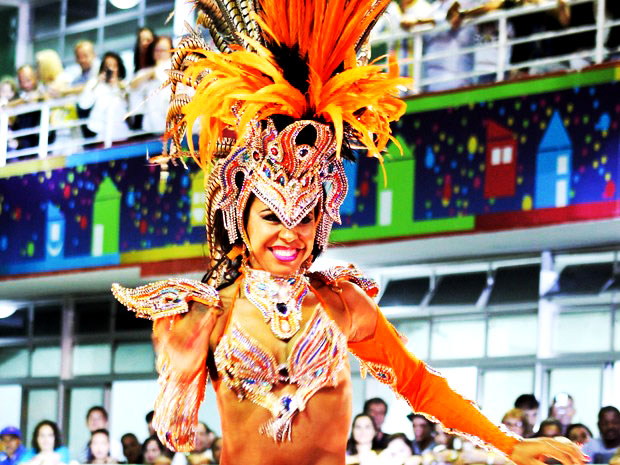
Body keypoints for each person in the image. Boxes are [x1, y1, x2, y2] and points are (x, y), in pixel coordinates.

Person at [110, 1, 587, 465]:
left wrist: (508, 444)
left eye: (305, 217)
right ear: (241, 217)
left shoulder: (343, 306)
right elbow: (174, 430)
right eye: (272, 217)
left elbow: (419, 384)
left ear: (324, 218)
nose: (289, 234)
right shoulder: (212, 311)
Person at [77, 52, 131, 142]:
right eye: (107, 66)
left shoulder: (124, 85)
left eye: (114, 66)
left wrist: (117, 85)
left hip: (121, 135)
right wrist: (97, 83)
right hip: (100, 136)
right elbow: (84, 104)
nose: (111, 69)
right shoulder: (95, 83)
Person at [128, 35, 173, 134]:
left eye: (164, 50)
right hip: (149, 126)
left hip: (171, 122)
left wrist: (156, 72)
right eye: (157, 50)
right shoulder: (144, 72)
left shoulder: (176, 69)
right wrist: (152, 72)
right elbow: (132, 86)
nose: (160, 53)